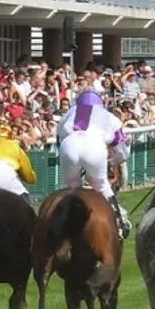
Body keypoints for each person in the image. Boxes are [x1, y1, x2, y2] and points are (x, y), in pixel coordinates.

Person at [56, 89, 132, 239]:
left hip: (69, 145)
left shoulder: (70, 112)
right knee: (102, 185)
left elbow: (59, 139)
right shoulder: (109, 116)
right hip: (95, 146)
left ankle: (61, 222)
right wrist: (111, 162)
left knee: (72, 186)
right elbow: (123, 152)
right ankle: (119, 223)